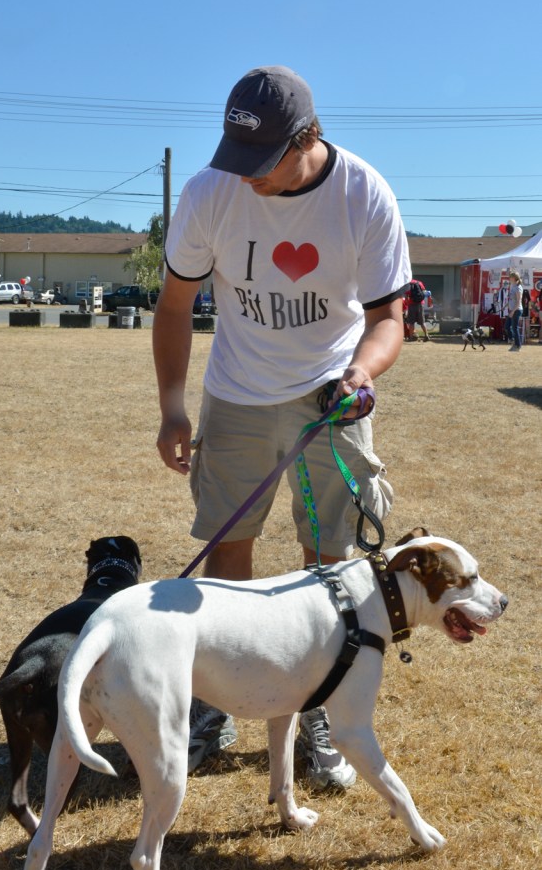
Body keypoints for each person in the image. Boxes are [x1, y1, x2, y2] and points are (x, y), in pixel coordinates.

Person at [153, 65, 410, 790]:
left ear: (308, 139)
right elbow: (174, 307)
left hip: (329, 396)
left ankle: (318, 707)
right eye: (239, 162)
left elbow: (389, 316)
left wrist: (361, 372)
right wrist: (173, 407)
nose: (248, 180)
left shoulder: (363, 193)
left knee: (328, 562)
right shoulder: (210, 190)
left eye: (262, 164)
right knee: (227, 554)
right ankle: (218, 701)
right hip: (234, 396)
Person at [506, 271, 523, 352]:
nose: (509, 278)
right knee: (507, 326)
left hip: (517, 310)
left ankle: (517, 345)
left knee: (514, 328)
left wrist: (512, 311)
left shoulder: (518, 287)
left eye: (510, 277)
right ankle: (514, 342)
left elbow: (518, 302)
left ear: (514, 278)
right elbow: (512, 299)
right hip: (512, 310)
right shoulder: (512, 286)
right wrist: (506, 306)